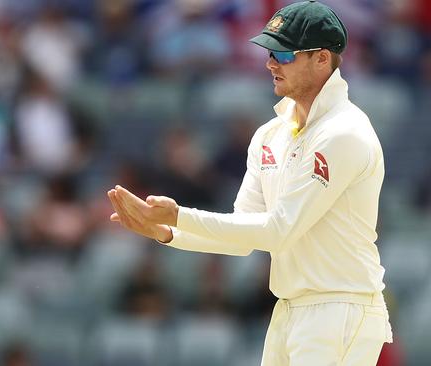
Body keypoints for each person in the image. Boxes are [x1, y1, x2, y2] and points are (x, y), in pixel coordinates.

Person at [107, 1, 393, 365]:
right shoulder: (269, 135)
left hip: (340, 307)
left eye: (284, 53)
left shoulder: (344, 133)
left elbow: (277, 231)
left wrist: (179, 216)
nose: (271, 63)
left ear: (323, 59)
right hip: (290, 309)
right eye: (270, 52)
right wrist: (164, 231)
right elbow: (243, 237)